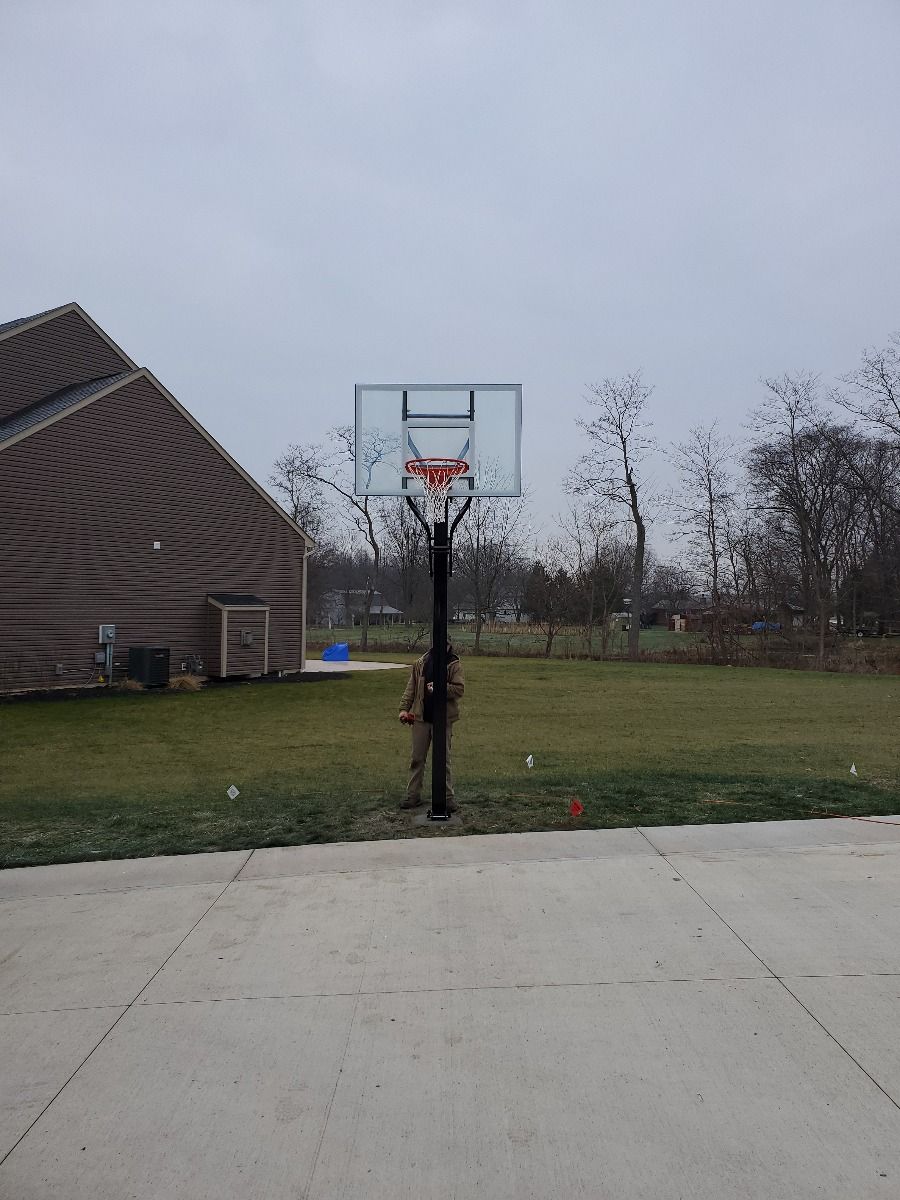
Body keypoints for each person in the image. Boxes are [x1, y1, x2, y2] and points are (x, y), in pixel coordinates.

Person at [398, 643, 464, 811]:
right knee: (417, 758)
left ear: (448, 644)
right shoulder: (421, 662)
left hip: (443, 719)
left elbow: (459, 689)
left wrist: (440, 688)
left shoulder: (453, 663)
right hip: (422, 718)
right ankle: (413, 796)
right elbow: (411, 688)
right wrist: (404, 709)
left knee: (443, 759)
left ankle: (447, 798)